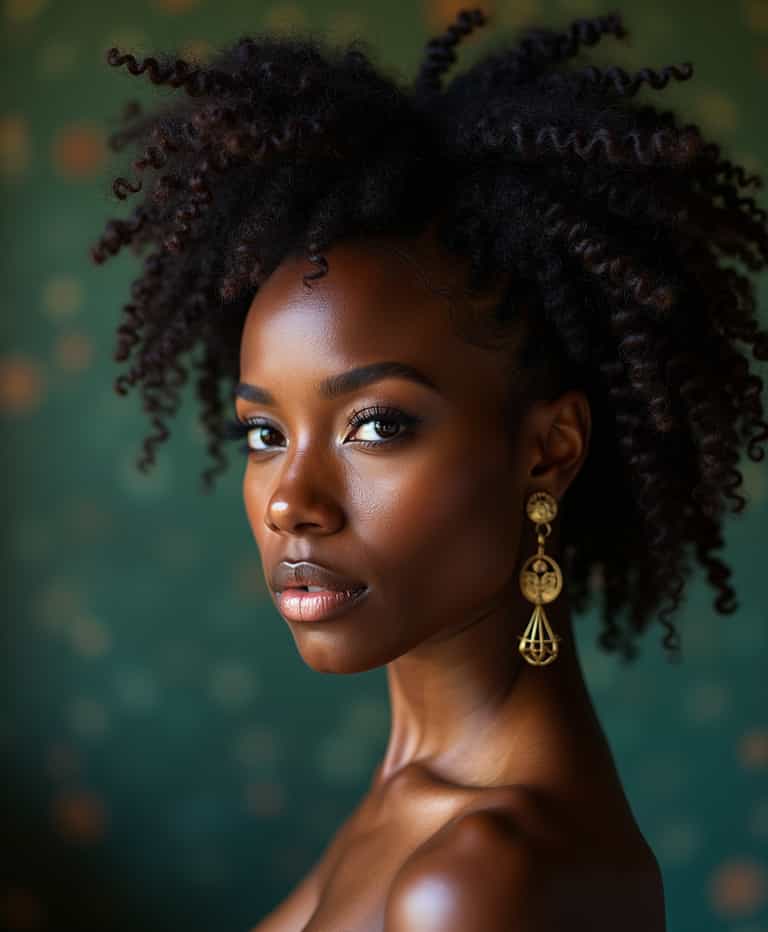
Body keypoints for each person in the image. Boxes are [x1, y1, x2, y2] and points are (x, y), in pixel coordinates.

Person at [90, 8, 768, 931]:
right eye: (264, 434)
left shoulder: (483, 880)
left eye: (375, 425)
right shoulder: (416, 795)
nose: (292, 500)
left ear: (549, 450)